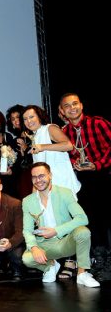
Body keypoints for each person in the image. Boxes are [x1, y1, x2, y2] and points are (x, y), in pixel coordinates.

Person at [21, 162, 99, 287]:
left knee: (83, 231)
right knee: (27, 259)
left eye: (41, 176)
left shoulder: (65, 193)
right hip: (44, 246)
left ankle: (82, 273)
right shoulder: (27, 201)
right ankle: (50, 266)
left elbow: (82, 218)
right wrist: (34, 248)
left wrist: (56, 230)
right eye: (34, 177)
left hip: (65, 242)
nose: (38, 180)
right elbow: (27, 230)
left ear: (50, 175)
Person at [60, 93, 111, 249]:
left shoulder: (98, 123)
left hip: (106, 175)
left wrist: (97, 165)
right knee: (91, 219)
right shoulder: (64, 133)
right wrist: (73, 162)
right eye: (67, 106)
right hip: (83, 181)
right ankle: (100, 257)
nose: (72, 108)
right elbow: (64, 156)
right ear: (62, 111)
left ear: (81, 105)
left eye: (75, 104)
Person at [21, 105, 81, 197]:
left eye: (31, 117)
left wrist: (42, 147)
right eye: (25, 119)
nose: (28, 121)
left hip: (61, 184)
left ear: (39, 116)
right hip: (46, 186)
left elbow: (68, 145)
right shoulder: (35, 135)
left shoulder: (50, 128)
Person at [5, 104, 33, 199]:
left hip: (37, 178)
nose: (16, 121)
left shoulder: (36, 134)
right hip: (21, 182)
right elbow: (16, 165)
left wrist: (26, 149)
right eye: (13, 119)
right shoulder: (14, 141)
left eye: (18, 117)